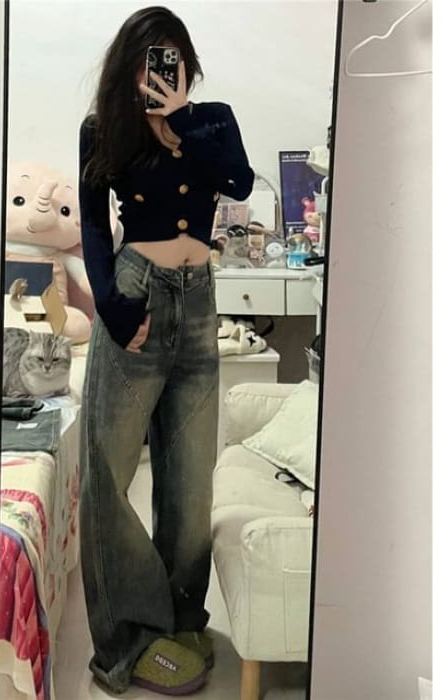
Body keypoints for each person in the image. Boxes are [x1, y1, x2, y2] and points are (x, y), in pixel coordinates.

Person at [77, 5, 254, 696]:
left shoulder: (212, 120)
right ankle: (127, 636)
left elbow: (237, 182)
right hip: (136, 291)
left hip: (200, 300)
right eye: (151, 57)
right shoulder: (105, 127)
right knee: (108, 471)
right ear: (130, 65)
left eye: (172, 56)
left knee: (190, 478)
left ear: (187, 63)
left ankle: (181, 621)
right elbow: (96, 226)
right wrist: (111, 304)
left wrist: (180, 117)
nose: (163, 68)